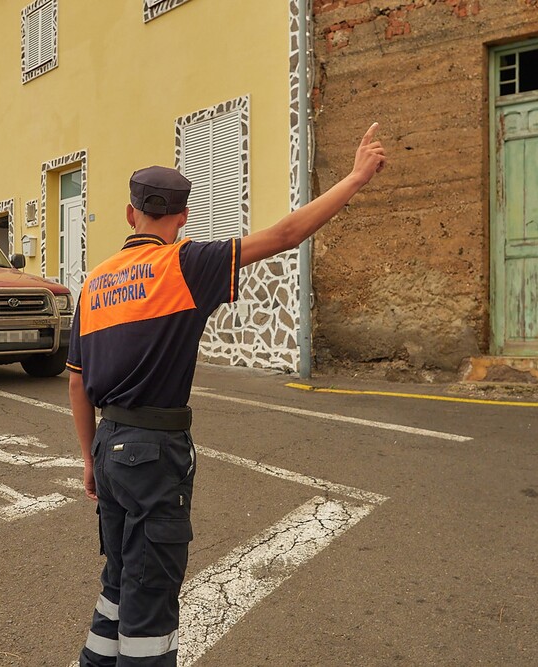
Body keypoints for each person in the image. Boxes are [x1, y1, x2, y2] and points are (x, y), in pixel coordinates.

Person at [67, 123, 386, 666]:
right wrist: (354, 178)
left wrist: (89, 457)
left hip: (109, 446)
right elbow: (286, 234)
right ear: (183, 217)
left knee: (118, 590)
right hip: (153, 453)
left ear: (130, 214)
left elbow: (77, 380)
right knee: (150, 618)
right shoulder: (185, 264)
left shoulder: (95, 282)